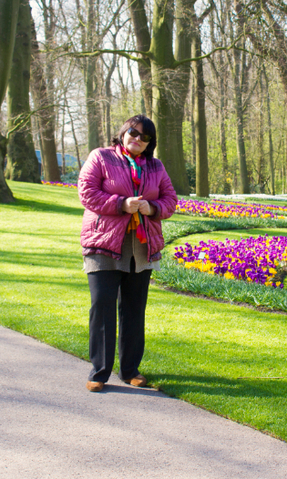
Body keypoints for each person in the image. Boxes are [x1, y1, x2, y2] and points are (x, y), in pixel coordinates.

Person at [78, 115, 178, 393]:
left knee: (134, 310)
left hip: (140, 248)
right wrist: (122, 203)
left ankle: (130, 370)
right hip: (103, 244)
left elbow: (170, 200)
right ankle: (99, 372)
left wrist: (152, 208)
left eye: (145, 137)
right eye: (134, 132)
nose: (138, 139)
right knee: (102, 306)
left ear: (150, 144)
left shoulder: (156, 167)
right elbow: (87, 193)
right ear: (123, 132)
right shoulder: (101, 157)